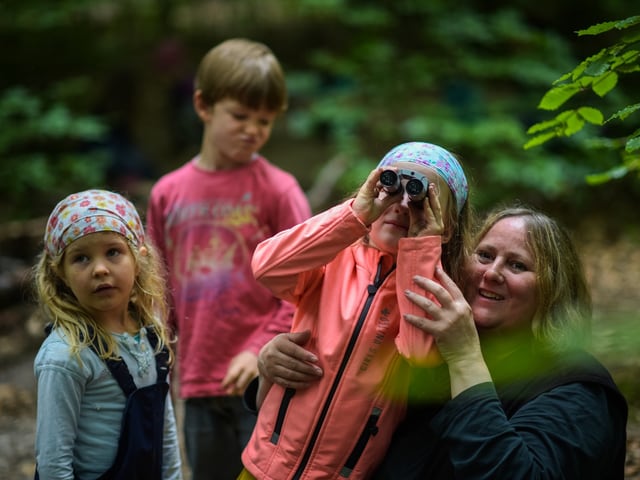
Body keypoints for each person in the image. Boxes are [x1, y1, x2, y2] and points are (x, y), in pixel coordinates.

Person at [257, 205, 628, 479]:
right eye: (484, 255)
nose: (492, 273)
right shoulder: (425, 353)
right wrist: (271, 370)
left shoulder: (577, 389)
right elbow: (335, 421)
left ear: (553, 290)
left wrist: (466, 357)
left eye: (517, 266)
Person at [239, 141, 471, 479]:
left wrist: (419, 251)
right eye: (391, 187)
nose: (403, 204)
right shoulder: (330, 259)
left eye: (421, 198)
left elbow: (419, 351)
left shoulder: (434, 291)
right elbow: (267, 267)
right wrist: (355, 214)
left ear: (446, 228)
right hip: (264, 463)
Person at [145, 38, 312, 480]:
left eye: (265, 120)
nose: (253, 130)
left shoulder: (279, 190)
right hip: (197, 377)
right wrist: (160, 349)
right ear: (203, 105)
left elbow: (309, 284)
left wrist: (259, 347)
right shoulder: (167, 193)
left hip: (264, 381)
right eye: (240, 116)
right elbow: (154, 285)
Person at [32, 189, 182, 479]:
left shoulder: (150, 338)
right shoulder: (66, 355)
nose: (100, 269)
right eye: (81, 258)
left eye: (113, 252)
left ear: (138, 259)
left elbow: (165, 432)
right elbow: (53, 463)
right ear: (60, 272)